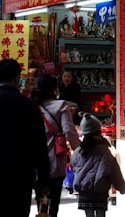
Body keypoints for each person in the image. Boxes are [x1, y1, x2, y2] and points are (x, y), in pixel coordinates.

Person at [0, 58, 51, 217]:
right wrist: (44, 181)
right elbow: (39, 146)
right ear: (18, 79)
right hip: (20, 179)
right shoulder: (29, 107)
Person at [32, 74, 82, 217]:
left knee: (40, 198)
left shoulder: (31, 106)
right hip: (55, 161)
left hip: (35, 162)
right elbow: (69, 131)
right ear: (54, 89)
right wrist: (79, 150)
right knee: (54, 201)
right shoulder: (61, 105)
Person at [71, 114, 125, 217]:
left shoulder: (79, 151)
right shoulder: (104, 151)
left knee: (89, 215)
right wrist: (121, 187)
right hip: (100, 192)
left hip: (84, 192)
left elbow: (73, 166)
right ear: (99, 131)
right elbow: (114, 171)